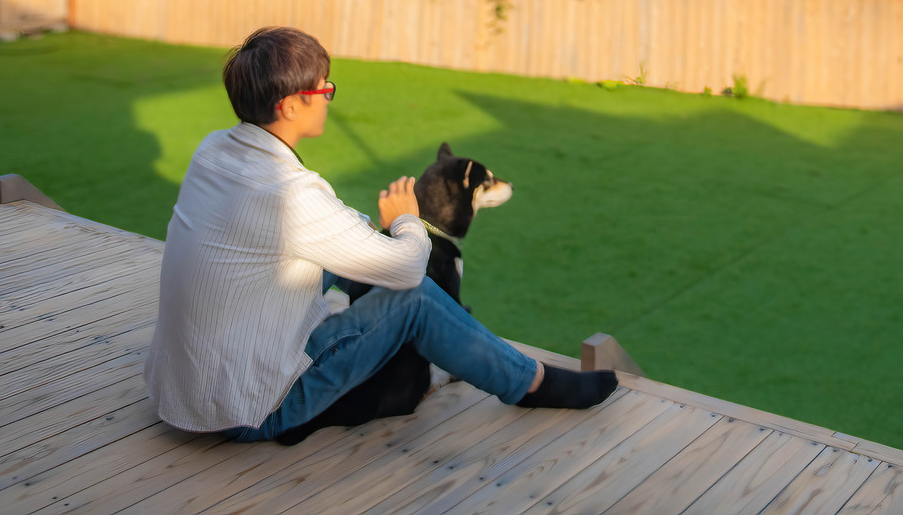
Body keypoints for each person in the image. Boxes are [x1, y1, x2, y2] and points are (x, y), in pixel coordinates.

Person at [144, 25, 618, 442]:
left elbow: (322, 228)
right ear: (289, 105)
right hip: (251, 409)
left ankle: (422, 345)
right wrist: (405, 220)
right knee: (415, 297)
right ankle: (531, 383)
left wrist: (368, 232)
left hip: (184, 391)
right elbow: (408, 269)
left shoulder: (215, 150)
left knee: (356, 254)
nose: (328, 94)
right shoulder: (291, 194)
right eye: (323, 88)